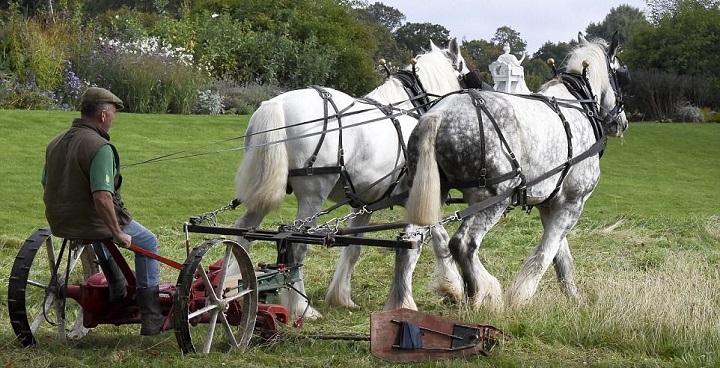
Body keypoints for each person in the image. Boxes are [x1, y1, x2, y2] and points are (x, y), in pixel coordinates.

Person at [42, 87, 166, 335]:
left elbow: (47, 183)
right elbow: (101, 197)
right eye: (113, 114)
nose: (113, 119)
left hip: (61, 222)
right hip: (91, 221)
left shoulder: (55, 142)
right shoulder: (100, 147)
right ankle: (152, 316)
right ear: (103, 114)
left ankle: (117, 285)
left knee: (100, 233)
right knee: (148, 242)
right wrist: (119, 233)